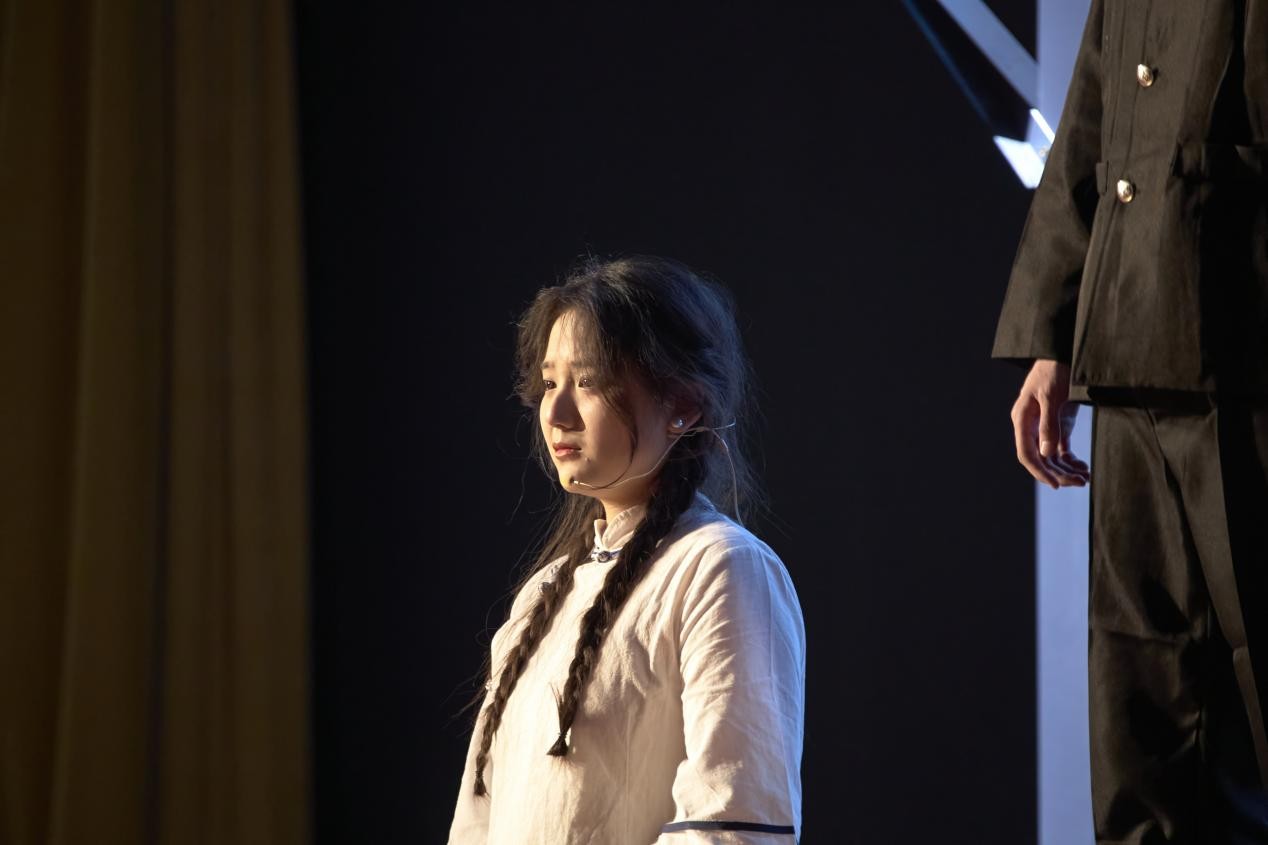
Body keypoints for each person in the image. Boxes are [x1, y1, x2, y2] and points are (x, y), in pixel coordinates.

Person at [994, 0, 1268, 841]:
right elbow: (1091, 122)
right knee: (1140, 708)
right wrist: (1054, 337)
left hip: (1246, 348)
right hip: (1129, 346)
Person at [447, 256, 805, 844]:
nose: (556, 413)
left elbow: (733, 825)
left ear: (682, 406)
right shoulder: (542, 595)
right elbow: (476, 824)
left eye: (588, 382)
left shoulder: (719, 567)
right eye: (550, 384)